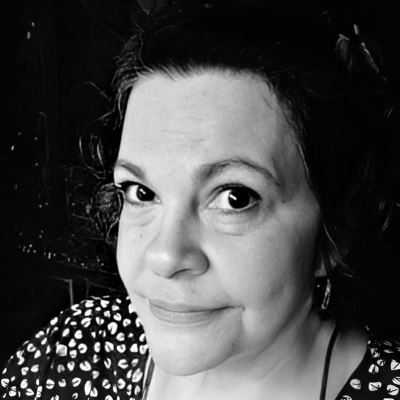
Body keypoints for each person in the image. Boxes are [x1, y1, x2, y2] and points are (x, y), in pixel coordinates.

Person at [2, 1, 399, 399]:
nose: (165, 257)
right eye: (142, 193)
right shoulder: (77, 350)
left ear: (335, 230)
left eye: (235, 198)